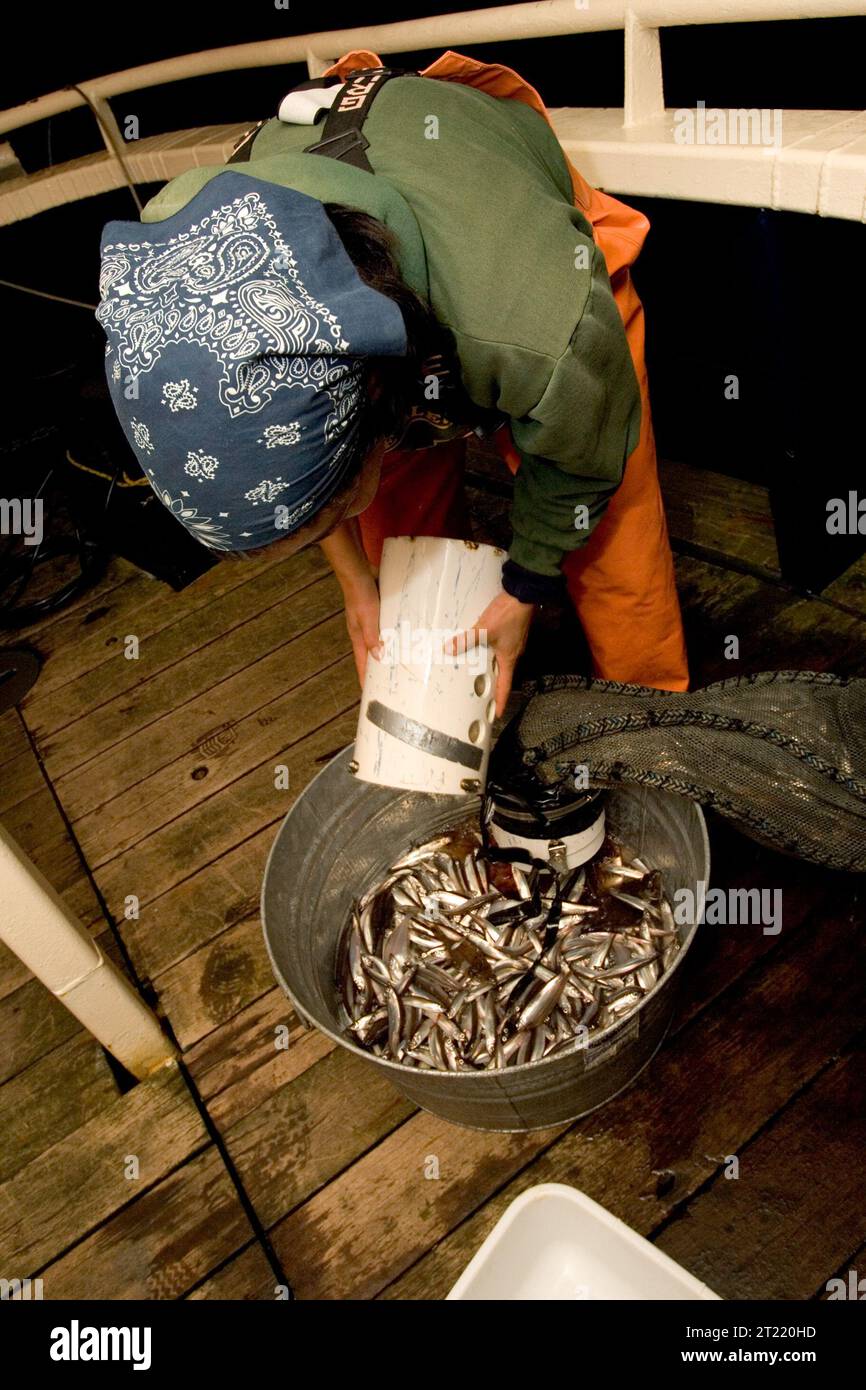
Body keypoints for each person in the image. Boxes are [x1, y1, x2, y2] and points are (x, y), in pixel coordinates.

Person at [97, 49, 689, 714]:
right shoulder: (174, 283)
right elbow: (290, 465)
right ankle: (447, 716)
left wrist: (527, 585)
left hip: (488, 215)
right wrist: (360, 587)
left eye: (331, 503)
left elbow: (582, 455)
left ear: (377, 393)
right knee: (399, 535)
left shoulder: (534, 322)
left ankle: (652, 720)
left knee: (614, 545)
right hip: (369, 283)